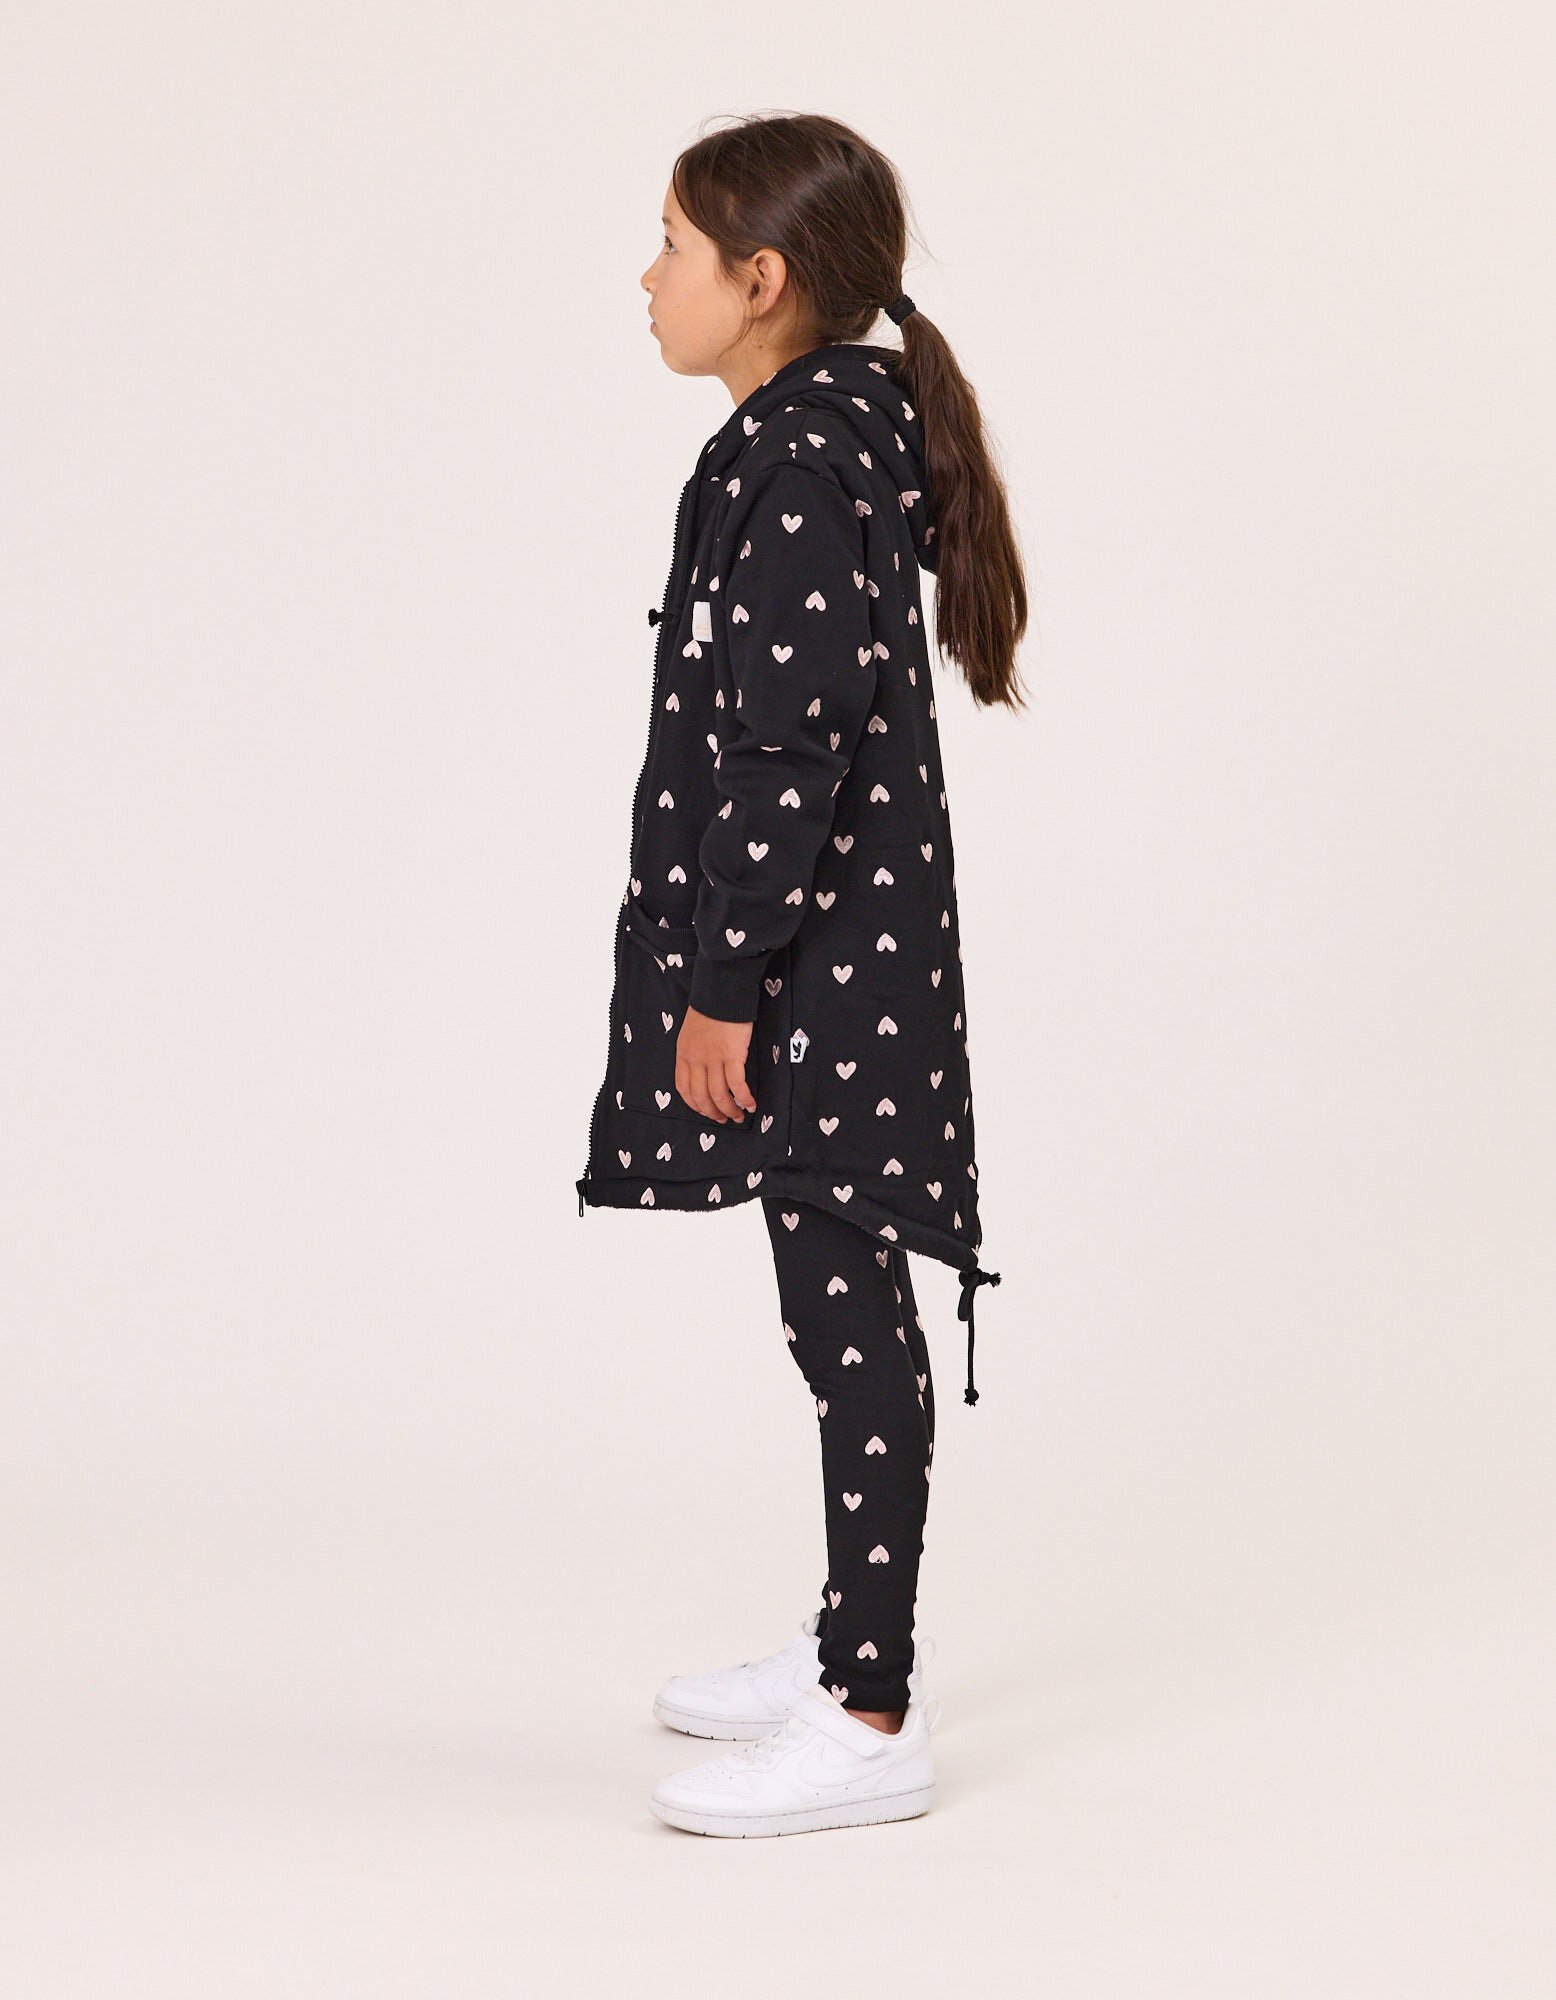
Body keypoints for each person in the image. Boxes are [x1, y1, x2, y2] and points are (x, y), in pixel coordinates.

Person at [575, 112, 1029, 1837]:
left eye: (673, 246)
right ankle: (849, 1639)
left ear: (760, 280)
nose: (647, 278)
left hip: (824, 967)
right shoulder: (809, 440)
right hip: (839, 955)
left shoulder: (802, 461)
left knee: (848, 1317)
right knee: (829, 1309)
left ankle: (868, 1712)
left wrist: (724, 987)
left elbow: (789, 755)